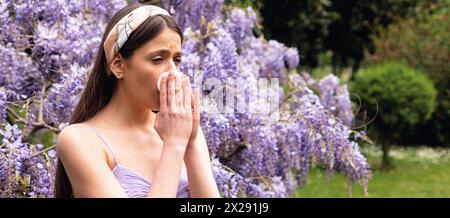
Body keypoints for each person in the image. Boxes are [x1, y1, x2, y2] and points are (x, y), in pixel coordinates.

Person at [54, 3, 220, 198]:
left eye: (176, 60)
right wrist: (174, 145)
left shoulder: (183, 129)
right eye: (158, 59)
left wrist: (190, 144)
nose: (173, 73)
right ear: (118, 65)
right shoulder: (79, 140)